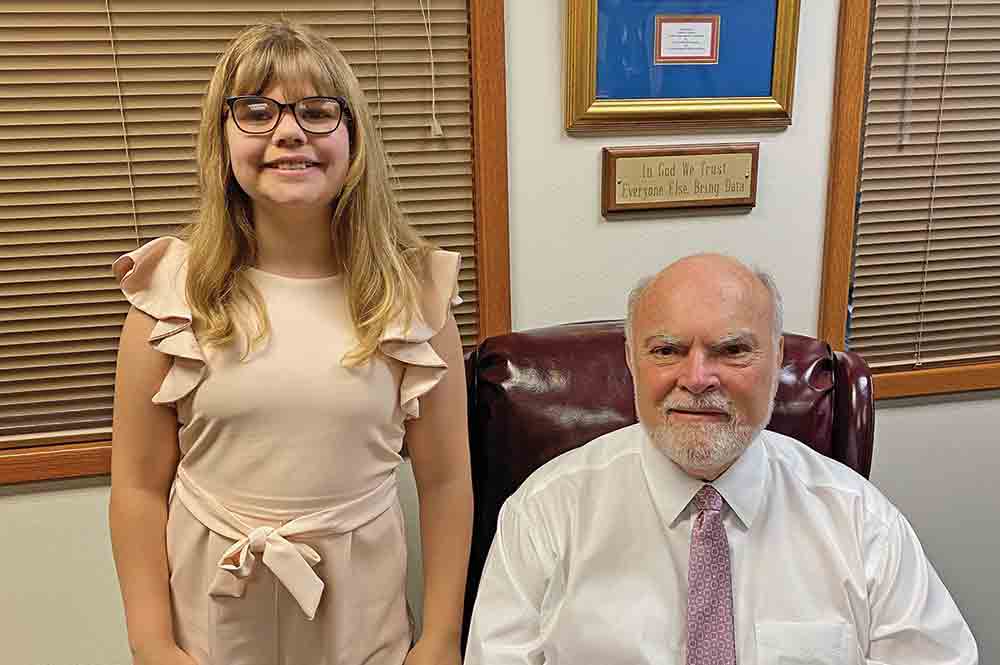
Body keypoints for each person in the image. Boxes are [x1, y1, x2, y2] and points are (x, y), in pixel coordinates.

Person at [109, 21, 471, 665]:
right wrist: (152, 643)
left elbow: (445, 484)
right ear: (221, 139)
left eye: (316, 111)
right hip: (209, 633)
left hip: (362, 632)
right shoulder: (168, 298)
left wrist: (440, 639)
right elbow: (137, 487)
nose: (289, 132)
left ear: (353, 135)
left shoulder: (413, 298)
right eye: (256, 111)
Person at [465, 254, 978, 664]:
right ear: (631, 361)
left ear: (778, 360)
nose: (696, 378)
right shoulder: (544, 515)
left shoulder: (860, 522)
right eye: (666, 350)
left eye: (731, 351)